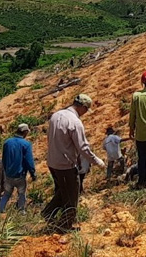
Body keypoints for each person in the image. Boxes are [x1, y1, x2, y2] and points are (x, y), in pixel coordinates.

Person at [43, 93, 105, 232]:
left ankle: (48, 212)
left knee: (62, 190)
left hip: (52, 162)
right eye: (86, 110)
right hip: (65, 164)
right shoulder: (75, 122)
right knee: (72, 194)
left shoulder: (56, 115)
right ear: (82, 107)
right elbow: (82, 147)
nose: (85, 113)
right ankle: (64, 225)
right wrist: (97, 161)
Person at [0, 123, 36, 214]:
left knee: (6, 194)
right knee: (21, 193)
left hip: (8, 175)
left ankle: (0, 210)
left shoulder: (7, 142)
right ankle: (21, 210)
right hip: (20, 174)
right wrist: (33, 173)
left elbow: (4, 159)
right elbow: (29, 161)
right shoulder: (26, 144)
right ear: (25, 132)